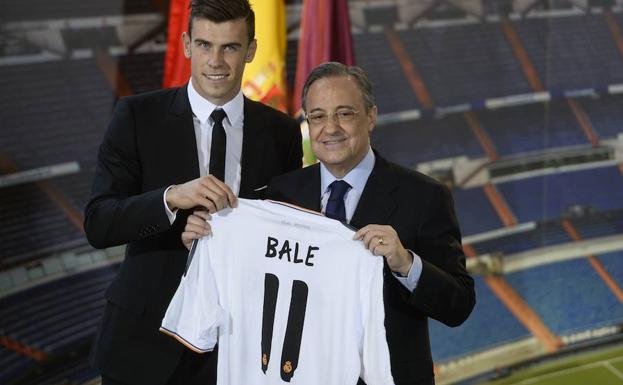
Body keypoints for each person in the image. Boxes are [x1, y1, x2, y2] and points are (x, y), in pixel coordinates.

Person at [183, 62, 475, 385]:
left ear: (371, 116)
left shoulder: (424, 197)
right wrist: (206, 242)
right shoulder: (282, 192)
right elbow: (252, 282)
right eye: (318, 116)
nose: (330, 128)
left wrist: (406, 264)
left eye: (345, 113)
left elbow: (459, 304)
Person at [83, 0, 302, 383]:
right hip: (142, 347)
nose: (215, 61)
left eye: (230, 47)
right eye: (204, 45)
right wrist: (170, 201)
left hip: (237, 348)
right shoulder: (137, 116)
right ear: (186, 44)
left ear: (251, 49)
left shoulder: (280, 132)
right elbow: (99, 222)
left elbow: (285, 231)